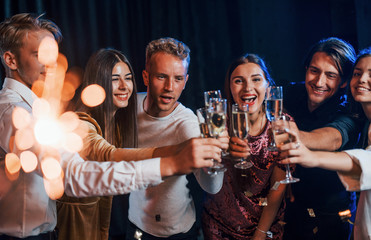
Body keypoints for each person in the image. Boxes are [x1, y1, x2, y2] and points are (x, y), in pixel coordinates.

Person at [0, 13, 224, 240]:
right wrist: (174, 159)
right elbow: (81, 171)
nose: (52, 65)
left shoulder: (37, 109)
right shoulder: (16, 113)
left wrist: (213, 156)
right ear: (11, 60)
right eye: (40, 55)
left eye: (54, 55)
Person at [126, 37, 227, 240]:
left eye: (178, 79)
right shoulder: (129, 106)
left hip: (175, 233)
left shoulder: (187, 123)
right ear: (146, 77)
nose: (170, 87)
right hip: (135, 224)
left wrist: (214, 158)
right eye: (161, 77)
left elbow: (212, 187)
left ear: (186, 81)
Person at [279, 47, 371, 240]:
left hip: (331, 216)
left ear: (344, 82)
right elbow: (263, 95)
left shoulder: (349, 112)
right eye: (314, 71)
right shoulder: (293, 93)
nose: (319, 81)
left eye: (330, 75)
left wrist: (301, 141)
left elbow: (334, 137)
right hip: (293, 209)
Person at [202, 53, 288, 239]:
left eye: (256, 79)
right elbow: (207, 176)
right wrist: (221, 151)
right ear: (230, 88)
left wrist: (260, 233)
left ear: (268, 85)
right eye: (238, 81)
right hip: (219, 227)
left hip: (265, 226)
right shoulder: (218, 121)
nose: (248, 88)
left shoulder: (281, 124)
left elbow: (278, 187)